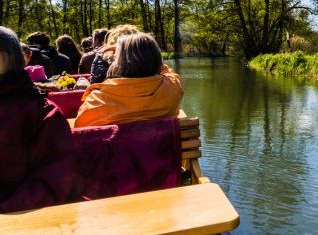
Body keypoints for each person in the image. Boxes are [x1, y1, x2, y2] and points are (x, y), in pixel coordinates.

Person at [0, 27, 77, 213]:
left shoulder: (42, 114)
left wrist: (5, 212)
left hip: (16, 220)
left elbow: (52, 180)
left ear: (5, 58)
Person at [75, 33, 183, 128]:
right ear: (157, 59)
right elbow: (169, 72)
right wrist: (149, 56)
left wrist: (120, 52)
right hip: (161, 151)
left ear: (119, 62)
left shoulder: (97, 100)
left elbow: (79, 127)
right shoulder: (171, 89)